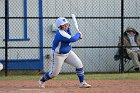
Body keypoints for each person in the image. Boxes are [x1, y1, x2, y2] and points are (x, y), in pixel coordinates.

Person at [38, 17, 91, 88]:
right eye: (64, 25)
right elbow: (72, 39)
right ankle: (42, 80)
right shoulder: (61, 34)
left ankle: (82, 83)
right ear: (59, 26)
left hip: (68, 53)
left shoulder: (66, 30)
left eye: (66, 24)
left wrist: (78, 36)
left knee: (79, 64)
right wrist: (78, 34)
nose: (66, 26)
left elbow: (70, 36)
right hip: (58, 55)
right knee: (54, 74)